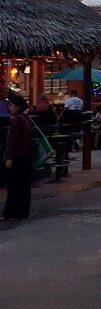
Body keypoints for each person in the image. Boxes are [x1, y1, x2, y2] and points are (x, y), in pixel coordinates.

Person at [4, 94, 34, 222]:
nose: (10, 108)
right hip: (26, 157)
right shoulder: (26, 118)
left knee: (13, 186)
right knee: (24, 186)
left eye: (11, 105)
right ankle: (23, 211)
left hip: (17, 157)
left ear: (18, 107)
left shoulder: (16, 120)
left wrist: (9, 158)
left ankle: (11, 212)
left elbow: (13, 141)